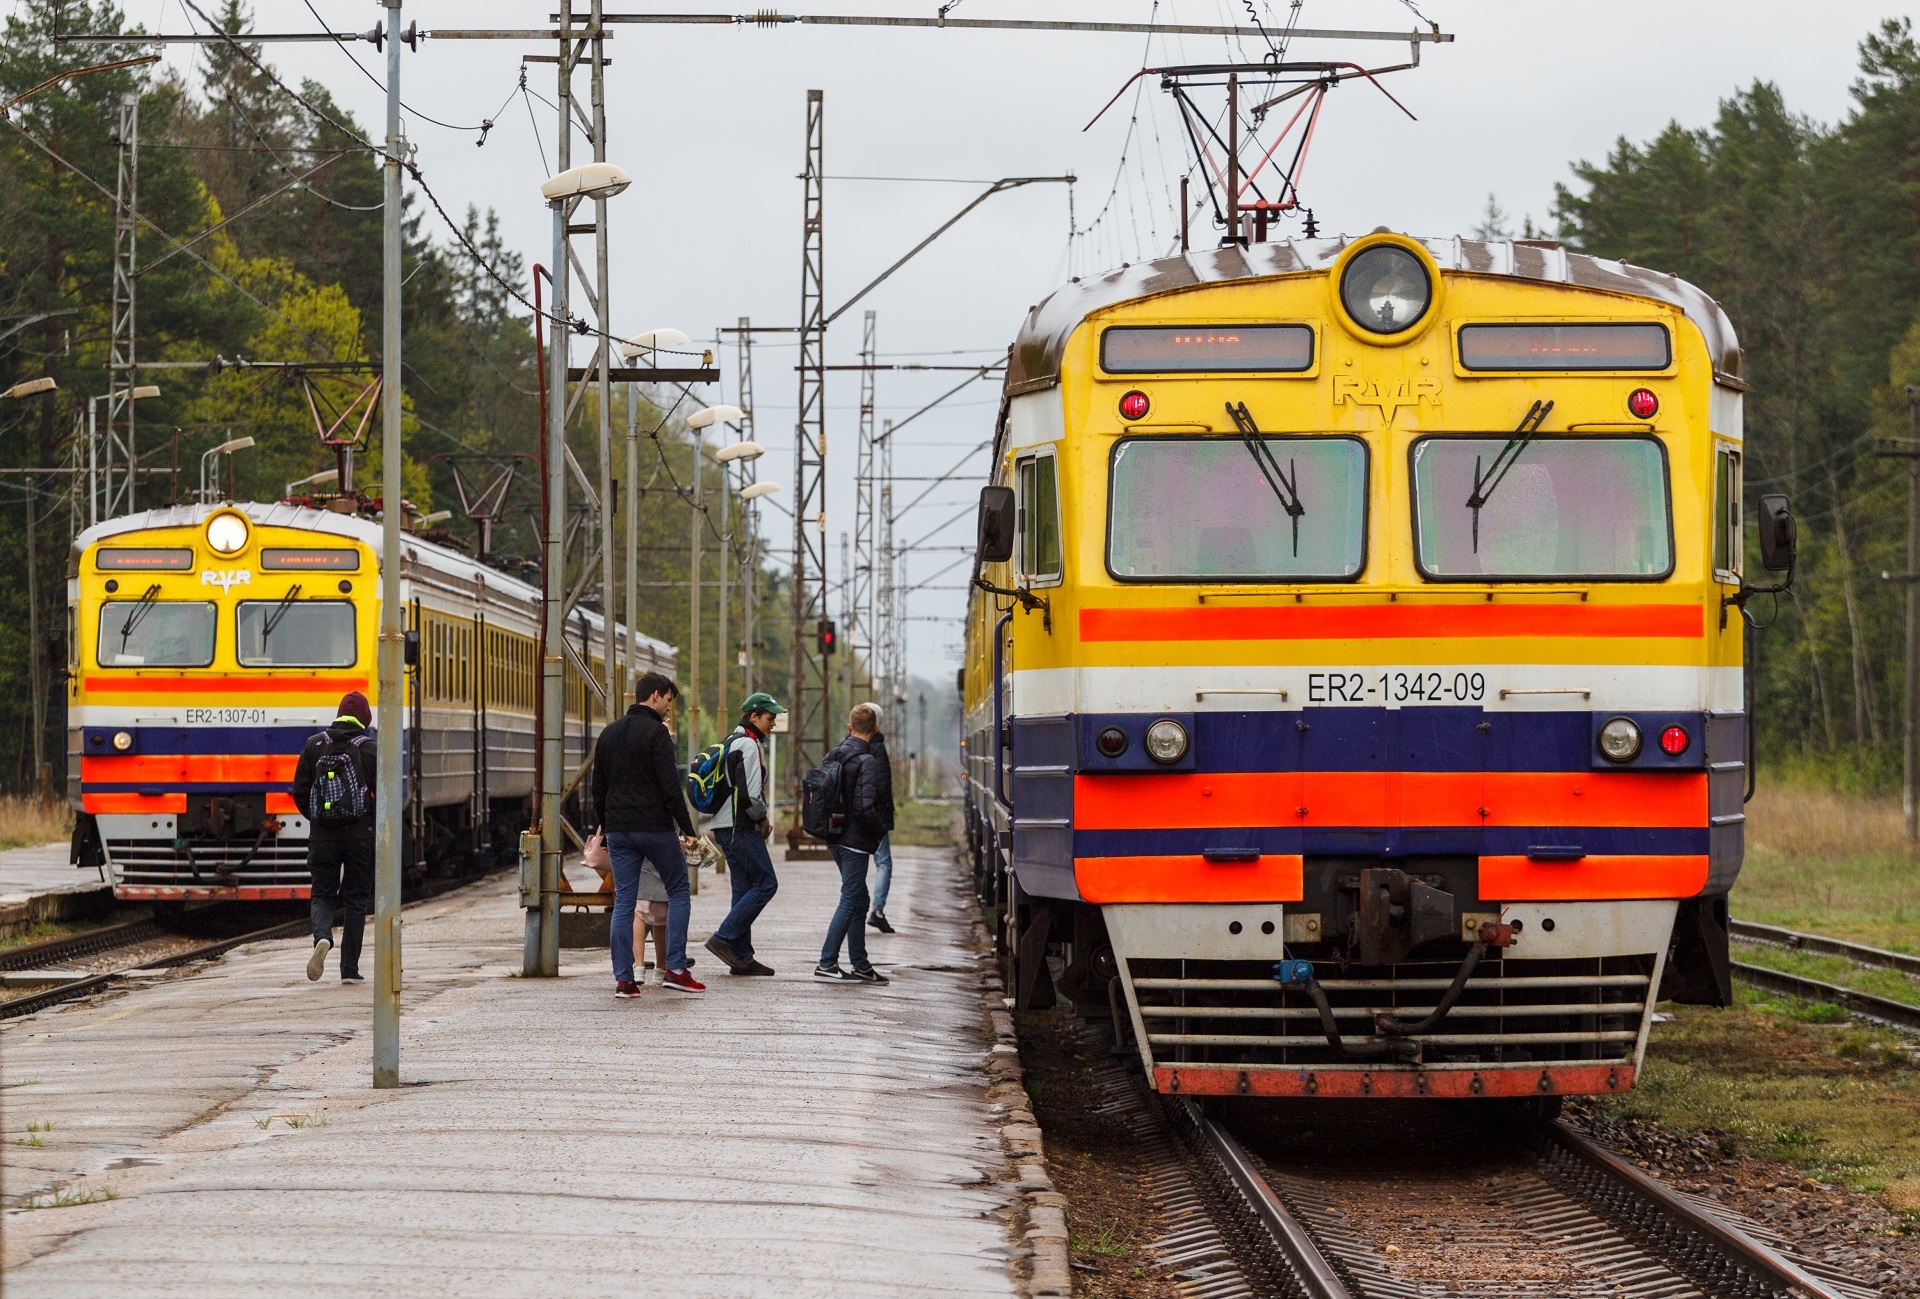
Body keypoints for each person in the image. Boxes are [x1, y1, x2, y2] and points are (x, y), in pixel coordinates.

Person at [592, 671, 705, 997]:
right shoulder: (657, 734)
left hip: (620, 831)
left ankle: (625, 981)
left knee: (625, 901)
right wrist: (687, 829)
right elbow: (671, 789)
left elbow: (598, 788)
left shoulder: (609, 733)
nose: (668, 708)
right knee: (679, 890)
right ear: (655, 695)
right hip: (654, 828)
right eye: (668, 701)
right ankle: (676, 969)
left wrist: (605, 827)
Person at [290, 690, 377, 984]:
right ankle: (349, 970)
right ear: (364, 718)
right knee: (355, 900)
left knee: (323, 895)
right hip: (359, 836)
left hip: (322, 837)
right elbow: (384, 796)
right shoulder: (368, 749)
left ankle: (322, 938)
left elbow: (300, 791)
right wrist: (369, 820)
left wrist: (317, 819)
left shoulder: (314, 745)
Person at [704, 692, 784, 976]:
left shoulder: (731, 741)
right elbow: (751, 795)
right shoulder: (749, 745)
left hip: (725, 826)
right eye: (769, 718)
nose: (773, 723)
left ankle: (741, 956)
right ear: (754, 717)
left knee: (743, 889)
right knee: (766, 884)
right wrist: (762, 818)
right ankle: (724, 938)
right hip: (741, 827)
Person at [814, 703, 893, 986]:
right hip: (856, 841)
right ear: (874, 729)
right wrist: (879, 830)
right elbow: (866, 807)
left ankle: (860, 964)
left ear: (849, 727)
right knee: (850, 898)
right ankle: (827, 962)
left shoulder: (835, 753)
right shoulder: (867, 760)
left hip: (834, 837)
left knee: (859, 899)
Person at [860, 702, 899, 935]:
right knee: (883, 862)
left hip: (854, 817)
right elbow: (883, 784)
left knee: (856, 864)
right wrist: (883, 816)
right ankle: (877, 911)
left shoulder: (847, 744)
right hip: (874, 816)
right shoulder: (877, 748)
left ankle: (855, 907)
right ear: (876, 726)